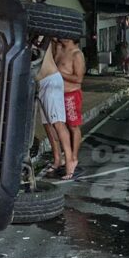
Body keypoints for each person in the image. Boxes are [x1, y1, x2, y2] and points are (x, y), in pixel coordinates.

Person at [36, 40, 77, 180]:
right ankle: (58, 159)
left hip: (50, 82)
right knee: (47, 124)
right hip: (40, 84)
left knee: (58, 123)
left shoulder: (39, 35)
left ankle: (70, 160)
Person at [56, 38, 86, 176]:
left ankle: (73, 157)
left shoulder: (76, 54)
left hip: (71, 94)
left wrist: (59, 73)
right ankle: (62, 157)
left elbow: (79, 78)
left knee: (73, 126)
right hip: (58, 93)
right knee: (60, 125)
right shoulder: (59, 49)